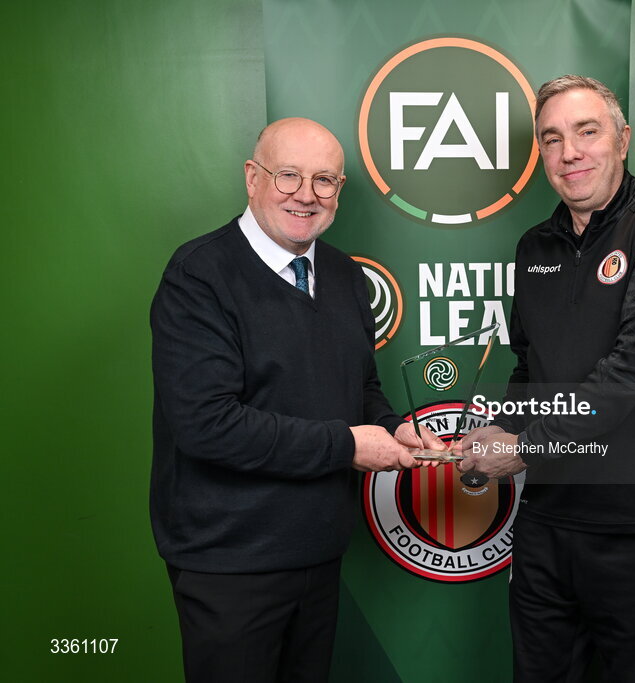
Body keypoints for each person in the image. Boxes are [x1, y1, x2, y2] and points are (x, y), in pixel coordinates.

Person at [150, 117, 442, 683]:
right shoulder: (199, 276)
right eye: (288, 176)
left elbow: (358, 386)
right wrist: (348, 445)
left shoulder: (344, 274)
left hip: (318, 552)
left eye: (324, 180)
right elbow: (207, 425)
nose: (306, 195)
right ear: (252, 178)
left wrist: (392, 426)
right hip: (229, 563)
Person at [454, 76, 635, 682]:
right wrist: (483, 437)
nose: (569, 152)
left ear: (623, 140)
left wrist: (524, 447)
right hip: (547, 525)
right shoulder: (532, 246)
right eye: (551, 139)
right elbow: (528, 368)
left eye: (587, 132)